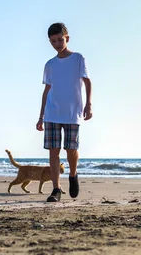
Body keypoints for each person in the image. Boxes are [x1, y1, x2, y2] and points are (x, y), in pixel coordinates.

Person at [36, 22, 93, 202]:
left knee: (71, 149)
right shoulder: (50, 65)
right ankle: (56, 189)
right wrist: (41, 116)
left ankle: (73, 174)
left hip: (72, 113)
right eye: (53, 41)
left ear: (67, 38)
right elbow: (46, 91)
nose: (57, 44)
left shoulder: (78, 59)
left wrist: (88, 104)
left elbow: (87, 82)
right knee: (53, 151)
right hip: (52, 113)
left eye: (60, 40)